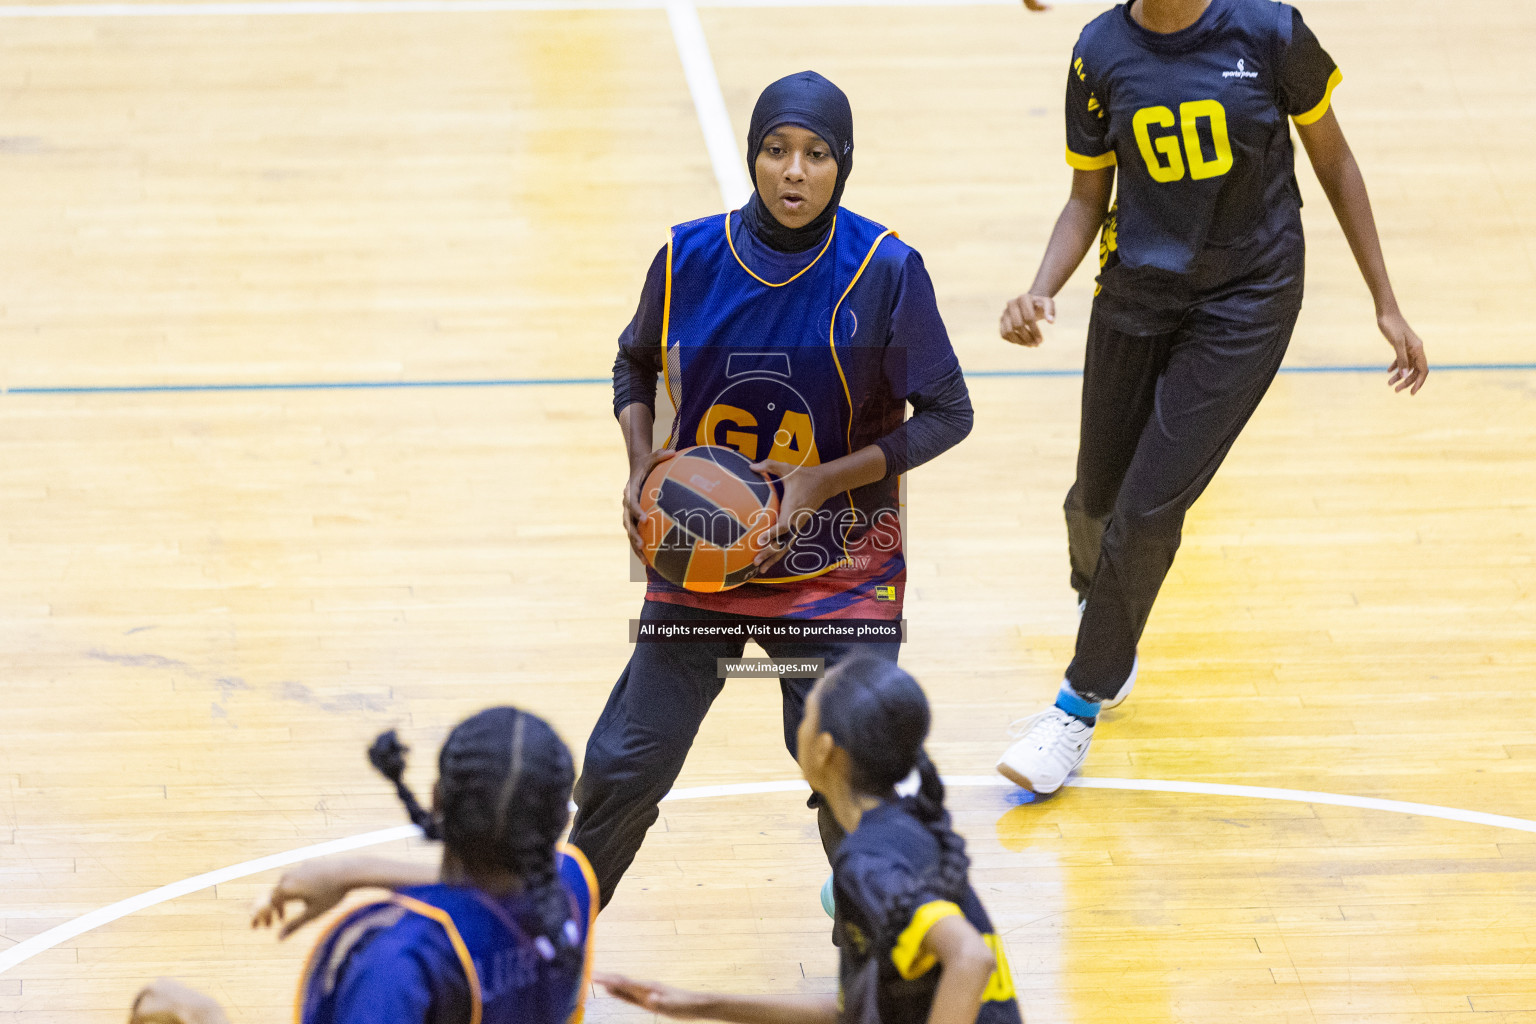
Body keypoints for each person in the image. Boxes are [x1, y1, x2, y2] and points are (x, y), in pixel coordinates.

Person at [995, 0, 1429, 794]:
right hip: (1135, 291)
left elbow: (1335, 163)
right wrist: (1039, 290)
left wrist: (1385, 301)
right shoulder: (1098, 51)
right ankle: (1112, 629)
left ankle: (1075, 705)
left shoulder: (1270, 33)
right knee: (1097, 499)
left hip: (1248, 298)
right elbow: (1087, 196)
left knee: (1149, 507)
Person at [577, 70, 973, 906]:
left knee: (853, 795)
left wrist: (823, 481)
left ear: (845, 165)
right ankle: (545, 950)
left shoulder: (887, 270)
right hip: (703, 567)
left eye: (816, 154)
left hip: (837, 575)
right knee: (621, 767)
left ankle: (874, 964)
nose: (794, 171)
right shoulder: (687, 257)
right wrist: (641, 456)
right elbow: (633, 361)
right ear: (755, 157)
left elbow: (948, 413)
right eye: (776, 150)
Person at [597, 657, 1022, 1024]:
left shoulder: (865, 863)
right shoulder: (909, 826)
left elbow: (970, 958)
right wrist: (697, 1003)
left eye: (809, 714)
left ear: (823, 748)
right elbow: (853, 1010)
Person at [129, 707, 598, 1024]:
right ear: (558, 820)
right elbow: (489, 896)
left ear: (436, 801)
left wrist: (209, 1017)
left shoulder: (399, 965)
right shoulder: (570, 886)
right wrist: (356, 872)